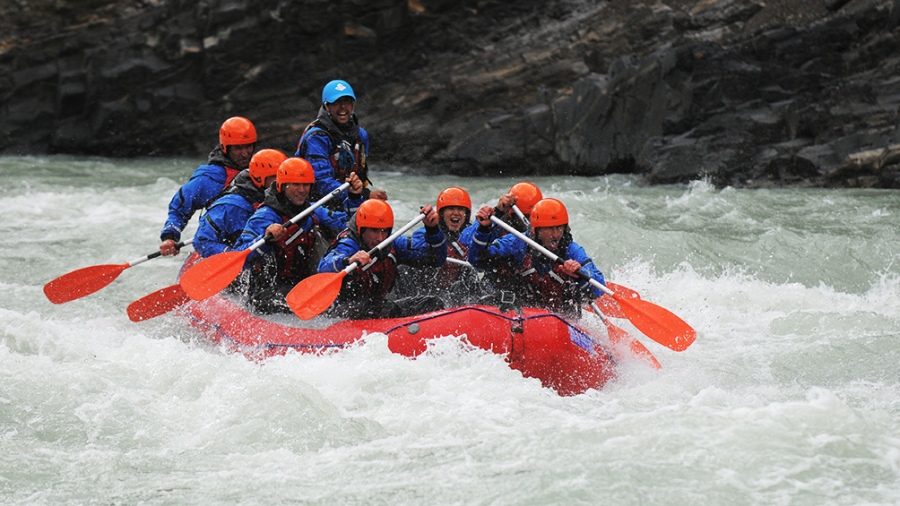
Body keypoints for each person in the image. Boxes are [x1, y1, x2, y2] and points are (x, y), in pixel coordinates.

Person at [233, 157, 364, 314]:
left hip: (304, 284)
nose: (302, 190)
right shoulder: (265, 216)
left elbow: (349, 225)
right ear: (282, 185)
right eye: (296, 184)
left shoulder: (312, 210)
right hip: (268, 292)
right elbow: (239, 257)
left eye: (306, 185)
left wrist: (354, 198)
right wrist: (265, 240)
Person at [468, 197, 606, 316]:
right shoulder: (517, 242)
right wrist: (484, 230)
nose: (556, 235)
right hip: (518, 310)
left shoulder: (572, 250)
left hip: (559, 317)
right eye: (550, 229)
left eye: (559, 228)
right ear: (537, 230)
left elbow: (599, 286)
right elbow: (476, 260)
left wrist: (579, 274)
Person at [317, 199, 447, 319]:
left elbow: (436, 259)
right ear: (361, 229)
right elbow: (322, 267)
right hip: (343, 313)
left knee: (433, 303)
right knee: (385, 307)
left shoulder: (392, 244)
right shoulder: (348, 244)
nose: (380, 238)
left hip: (379, 309)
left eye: (384, 231)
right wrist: (347, 260)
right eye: (374, 231)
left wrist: (433, 230)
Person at [159, 116, 257, 256]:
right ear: (225, 148)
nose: (245, 153)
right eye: (238, 148)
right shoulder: (210, 178)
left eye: (248, 146)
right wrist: (170, 236)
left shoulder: (262, 169)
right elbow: (179, 206)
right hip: (220, 244)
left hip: (256, 238)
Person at [295, 79, 387, 214]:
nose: (343, 107)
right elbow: (320, 183)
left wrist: (364, 194)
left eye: (347, 101)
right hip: (315, 205)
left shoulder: (361, 135)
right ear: (327, 106)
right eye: (337, 102)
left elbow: (361, 175)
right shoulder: (316, 137)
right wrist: (363, 194)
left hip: (348, 199)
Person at [393, 186, 484, 305]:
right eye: (451, 208)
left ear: (466, 214)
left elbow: (484, 232)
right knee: (403, 270)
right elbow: (421, 252)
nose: (456, 213)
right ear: (441, 213)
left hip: (456, 290)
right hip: (426, 290)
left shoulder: (470, 234)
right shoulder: (424, 233)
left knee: (470, 279)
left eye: (460, 209)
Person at [192, 149, 286, 258]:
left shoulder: (280, 198)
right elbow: (201, 241)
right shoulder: (230, 205)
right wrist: (230, 254)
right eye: (277, 177)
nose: (282, 182)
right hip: (228, 256)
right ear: (260, 178)